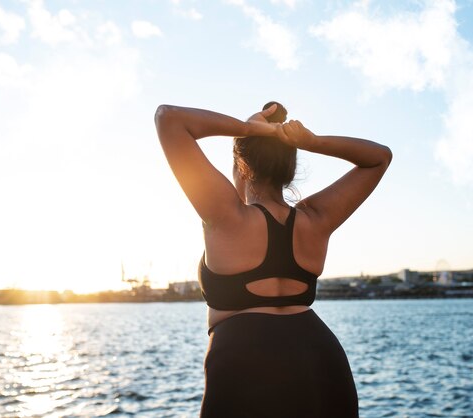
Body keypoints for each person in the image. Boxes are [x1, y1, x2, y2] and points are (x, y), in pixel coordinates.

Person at [155, 101, 392, 418]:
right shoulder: (316, 218)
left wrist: (248, 129)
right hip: (320, 361)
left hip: (243, 363)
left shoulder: (226, 216)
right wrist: (312, 141)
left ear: (240, 164)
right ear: (291, 167)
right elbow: (379, 158)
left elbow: (168, 118)